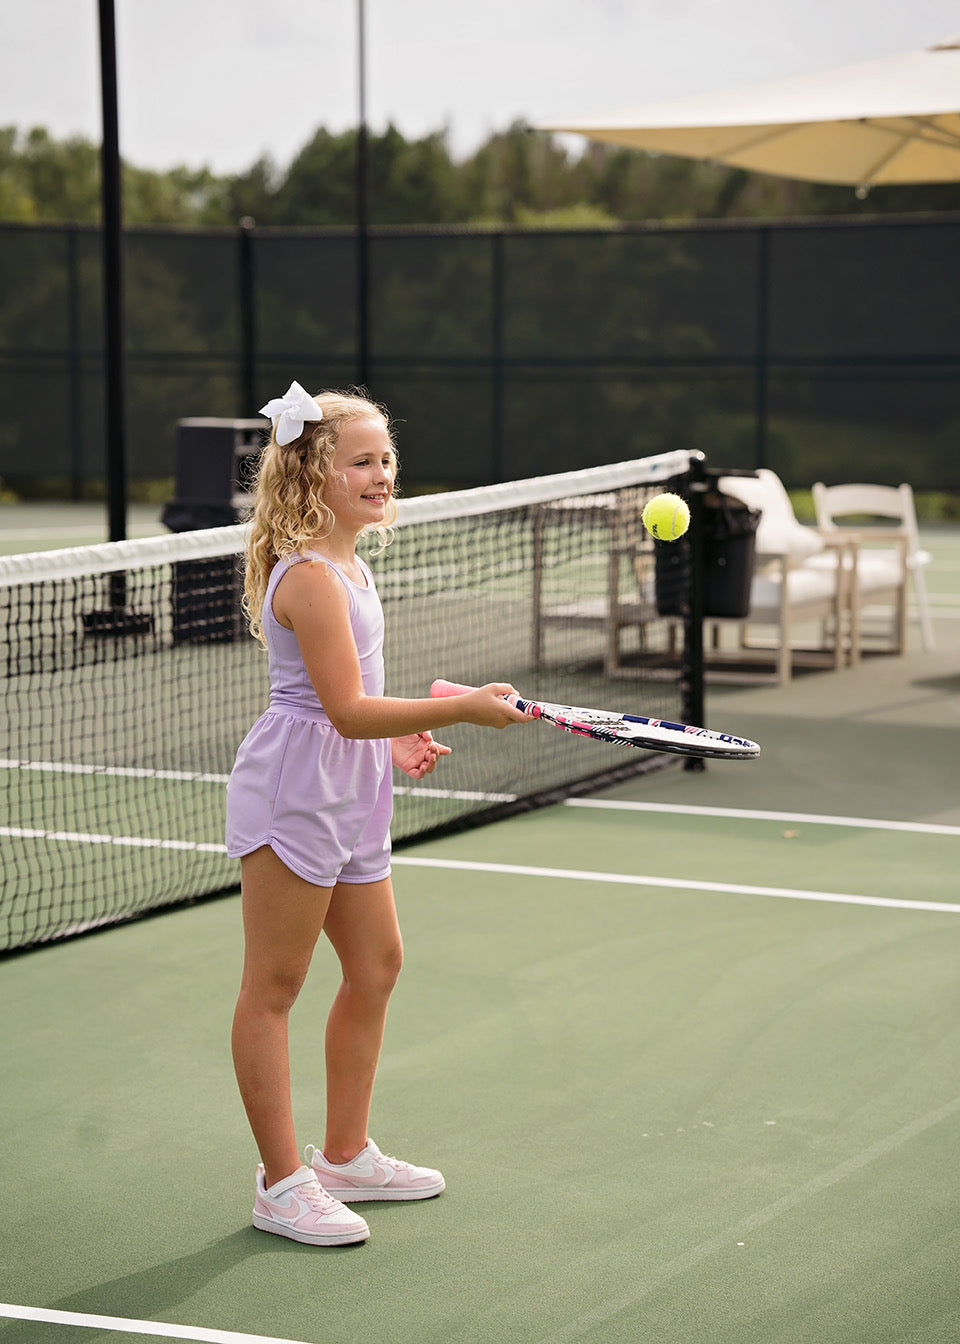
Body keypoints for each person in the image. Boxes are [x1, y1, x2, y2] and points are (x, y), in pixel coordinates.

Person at [225, 381, 530, 1247]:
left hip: (351, 782)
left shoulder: (354, 565)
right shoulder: (315, 579)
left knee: (378, 962)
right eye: (362, 461)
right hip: (295, 790)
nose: (383, 474)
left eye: (387, 459)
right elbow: (343, 709)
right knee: (274, 988)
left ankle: (347, 1154)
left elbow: (350, 706)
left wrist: (393, 741)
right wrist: (458, 709)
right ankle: (282, 1184)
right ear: (313, 475)